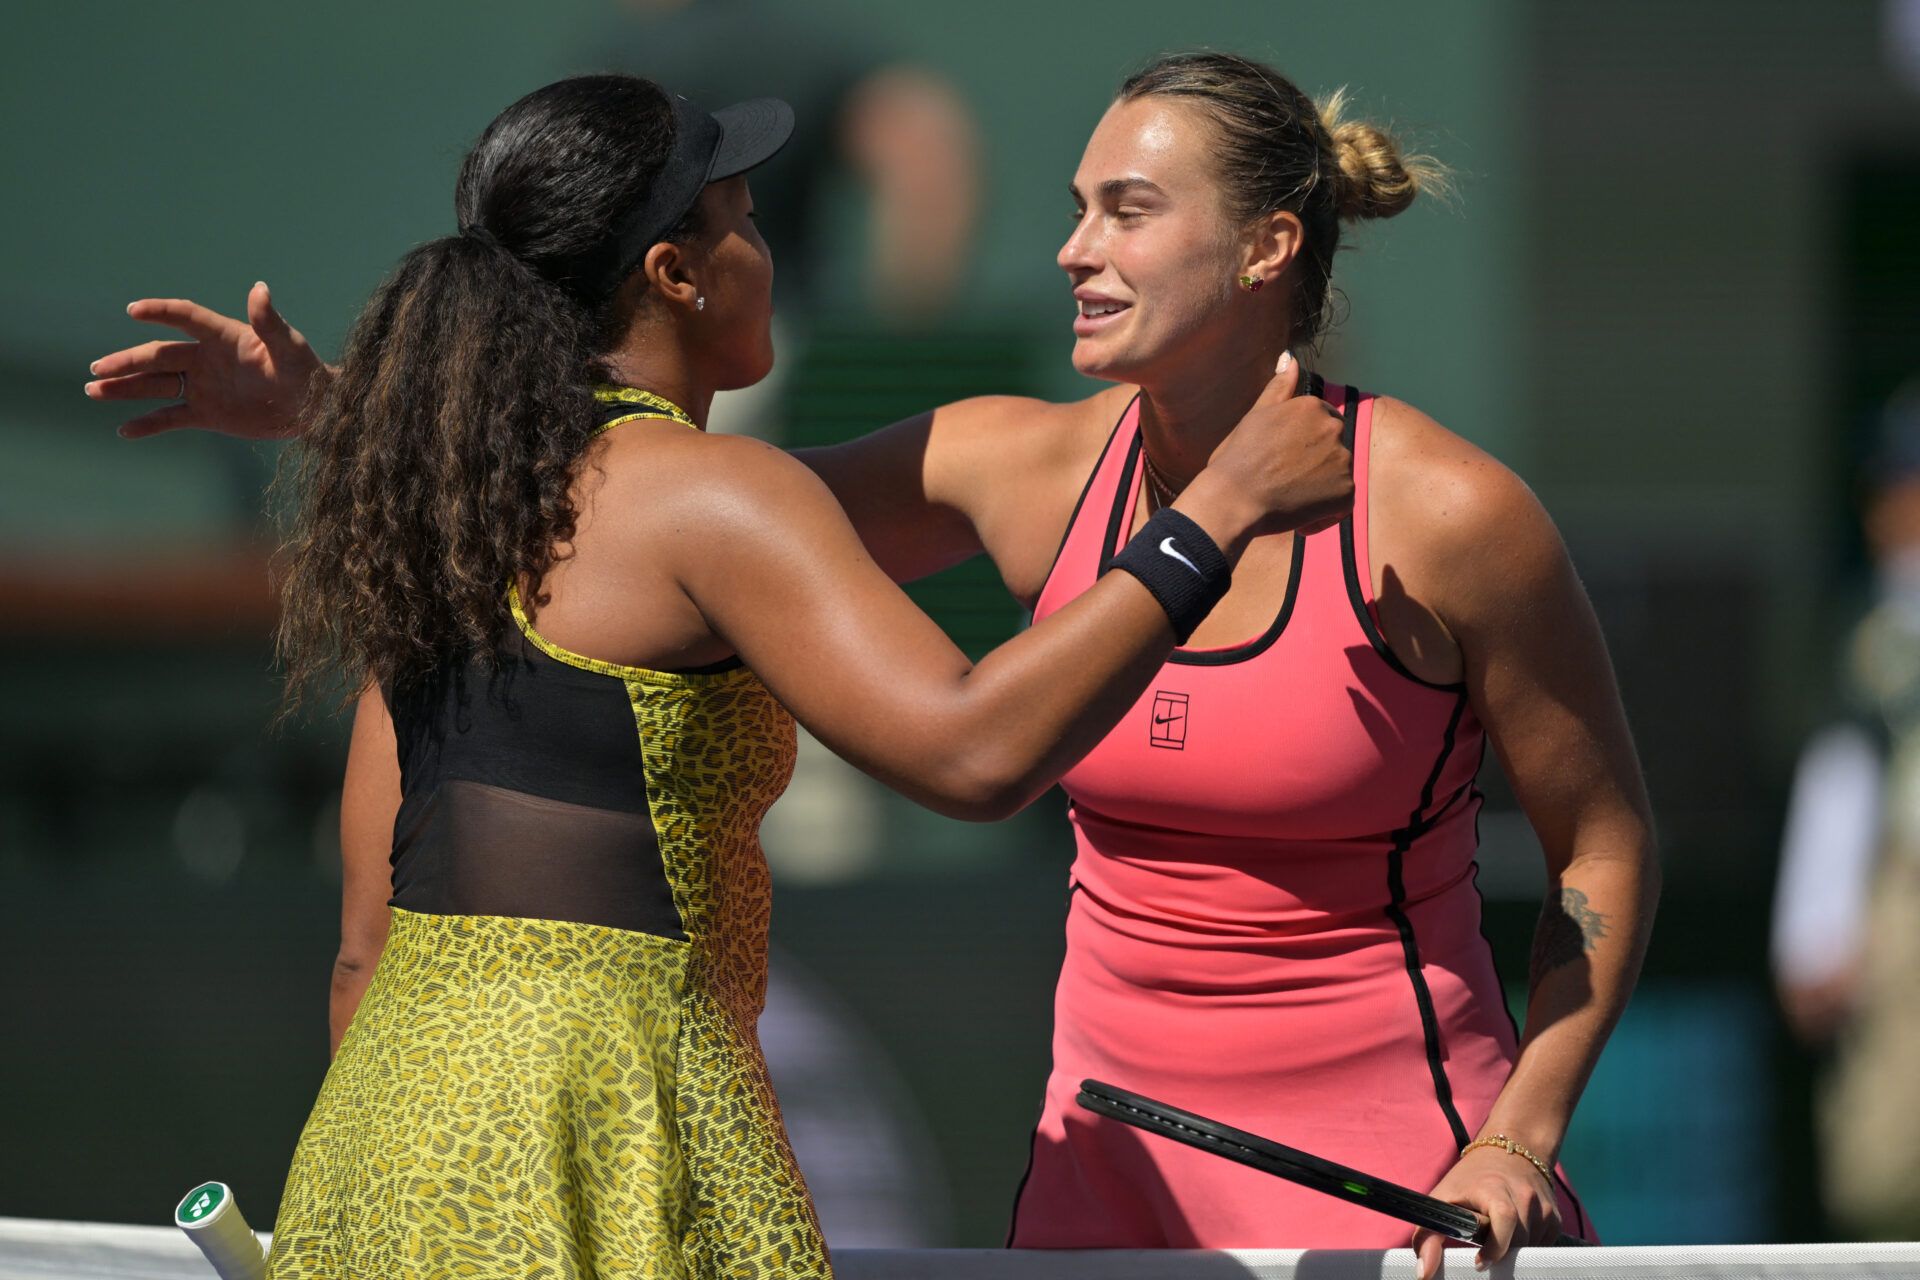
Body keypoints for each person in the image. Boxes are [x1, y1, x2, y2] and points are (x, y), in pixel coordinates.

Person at [88, 51, 1657, 1278]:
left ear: (1266, 246)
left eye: (1125, 211)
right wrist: (348, 406)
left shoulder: (1449, 516)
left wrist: (1520, 1137)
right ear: (674, 271)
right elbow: (646, 520)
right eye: (1075, 205)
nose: (1070, 250)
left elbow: (1603, 839)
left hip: (1396, 1181)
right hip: (1097, 1171)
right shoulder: (996, 469)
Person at [1771, 380, 1920, 1241]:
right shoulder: (1875, 631)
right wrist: (1815, 930)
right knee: (1886, 1171)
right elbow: (1842, 777)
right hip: (1900, 906)